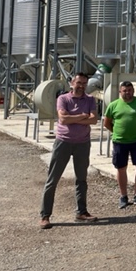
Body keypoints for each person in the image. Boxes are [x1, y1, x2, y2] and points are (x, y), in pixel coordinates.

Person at [39, 72, 98, 229]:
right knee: (53, 179)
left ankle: (82, 212)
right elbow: (63, 119)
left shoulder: (90, 99)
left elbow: (93, 119)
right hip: (63, 142)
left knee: (81, 179)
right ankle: (45, 215)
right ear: (72, 83)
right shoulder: (63, 98)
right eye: (79, 83)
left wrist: (74, 117)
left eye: (84, 83)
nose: (81, 86)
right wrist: (82, 116)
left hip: (83, 144)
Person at [104, 80, 136, 209]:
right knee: (121, 168)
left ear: (133, 91)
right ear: (120, 92)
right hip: (120, 142)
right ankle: (123, 196)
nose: (127, 93)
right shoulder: (114, 105)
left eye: (130, 90)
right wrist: (116, 131)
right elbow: (106, 122)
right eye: (124, 91)